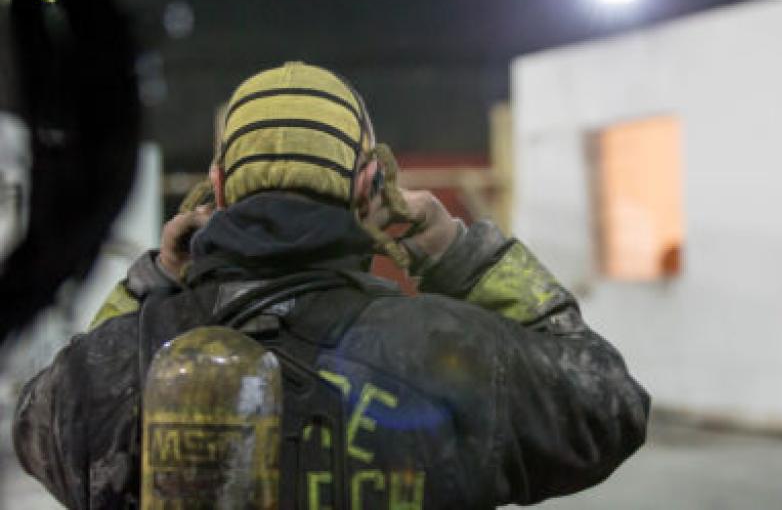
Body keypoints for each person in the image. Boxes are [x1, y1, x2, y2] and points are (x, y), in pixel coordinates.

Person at [13, 61, 650, 509]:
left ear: (220, 186)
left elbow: (41, 421)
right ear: (369, 184)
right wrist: (459, 256)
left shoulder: (104, 375)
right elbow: (609, 406)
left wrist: (153, 282)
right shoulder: (458, 352)